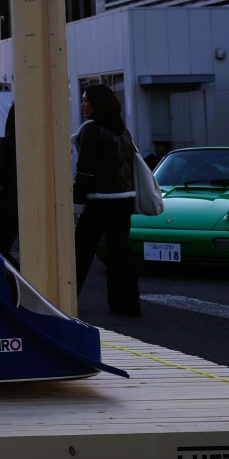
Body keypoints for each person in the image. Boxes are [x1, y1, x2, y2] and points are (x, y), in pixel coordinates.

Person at [74, 82, 141, 317]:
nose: (82, 104)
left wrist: (76, 199)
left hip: (99, 199)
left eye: (86, 100)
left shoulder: (92, 129)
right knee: (120, 252)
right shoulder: (122, 129)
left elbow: (85, 170)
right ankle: (127, 305)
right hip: (124, 198)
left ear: (97, 103)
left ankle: (64, 300)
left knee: (80, 252)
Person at [0, 108, 19, 260]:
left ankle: (16, 274)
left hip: (9, 204)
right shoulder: (39, 144)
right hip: (35, 204)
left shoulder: (5, 144)